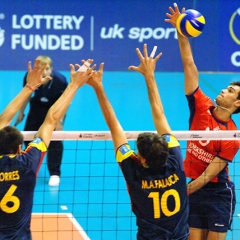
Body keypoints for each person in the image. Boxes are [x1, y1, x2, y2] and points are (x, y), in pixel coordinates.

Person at [87, 44, 189, 240]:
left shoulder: (133, 171)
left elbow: (114, 125)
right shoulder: (175, 159)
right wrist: (149, 76)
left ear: (141, 159)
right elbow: (160, 114)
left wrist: (99, 87)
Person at [165, 3, 240, 240]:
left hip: (217, 193)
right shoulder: (201, 105)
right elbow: (189, 64)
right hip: (194, 188)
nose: (224, 90)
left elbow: (208, 176)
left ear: (237, 103)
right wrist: (181, 31)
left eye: (230, 91)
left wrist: (177, 192)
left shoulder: (231, 136)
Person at [0, 59, 94, 239]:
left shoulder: (28, 162)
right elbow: (51, 120)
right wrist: (74, 86)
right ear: (21, 148)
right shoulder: (28, 164)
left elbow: (3, 119)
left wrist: (28, 87)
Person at [14, 56, 68, 186]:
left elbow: (65, 102)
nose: (43, 72)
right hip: (36, 106)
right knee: (27, 137)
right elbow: (26, 94)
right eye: (39, 68)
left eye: (47, 68)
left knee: (55, 141)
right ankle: (30, 166)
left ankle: (54, 173)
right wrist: (21, 112)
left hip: (54, 108)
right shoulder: (30, 76)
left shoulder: (60, 81)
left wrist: (60, 121)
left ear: (51, 69)